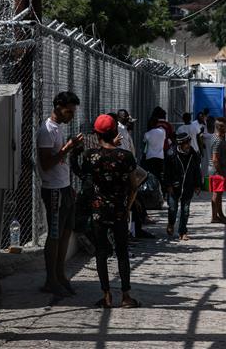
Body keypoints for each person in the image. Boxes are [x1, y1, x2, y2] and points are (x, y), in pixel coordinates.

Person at [81, 114, 140, 308]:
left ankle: (106, 296)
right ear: (115, 132)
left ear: (97, 134)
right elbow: (134, 185)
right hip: (120, 210)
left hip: (98, 209)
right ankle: (125, 296)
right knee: (122, 252)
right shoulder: (125, 156)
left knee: (101, 252)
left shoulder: (90, 156)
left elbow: (84, 176)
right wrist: (129, 205)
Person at [37, 91, 83, 296]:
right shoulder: (47, 131)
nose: (71, 115)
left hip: (63, 187)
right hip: (53, 189)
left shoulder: (57, 129)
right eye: (68, 111)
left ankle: (60, 274)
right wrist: (67, 148)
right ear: (57, 107)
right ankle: (50, 279)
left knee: (65, 233)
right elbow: (46, 164)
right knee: (54, 235)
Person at [164, 131, 202, 241]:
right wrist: (168, 185)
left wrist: (197, 185)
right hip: (174, 186)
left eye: (189, 143)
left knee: (185, 210)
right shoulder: (171, 154)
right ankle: (171, 224)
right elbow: (166, 172)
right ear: (180, 144)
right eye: (186, 143)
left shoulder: (193, 154)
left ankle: (182, 232)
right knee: (173, 209)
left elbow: (197, 170)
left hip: (188, 186)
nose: (188, 145)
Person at [208, 118, 226, 224]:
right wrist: (221, 172)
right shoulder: (217, 140)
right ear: (220, 127)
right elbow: (215, 159)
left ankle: (220, 214)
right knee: (216, 194)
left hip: (216, 170)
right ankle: (214, 216)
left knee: (219, 194)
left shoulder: (217, 138)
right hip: (217, 171)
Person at [142, 116, 168, 187]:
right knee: (160, 175)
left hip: (150, 157)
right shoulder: (163, 131)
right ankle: (160, 189)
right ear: (157, 123)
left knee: (151, 174)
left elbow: (144, 143)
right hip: (160, 157)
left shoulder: (147, 134)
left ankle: (152, 188)